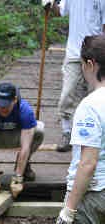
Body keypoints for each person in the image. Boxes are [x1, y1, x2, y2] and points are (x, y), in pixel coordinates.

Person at [54, 34, 105, 224]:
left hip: (93, 196)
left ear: (89, 64)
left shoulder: (91, 105)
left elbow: (88, 162)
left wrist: (68, 211)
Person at [43, 0, 105, 152]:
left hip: (95, 52)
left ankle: (96, 134)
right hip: (73, 52)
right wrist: (50, 5)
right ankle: (67, 132)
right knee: (67, 94)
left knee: (95, 96)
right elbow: (60, 11)